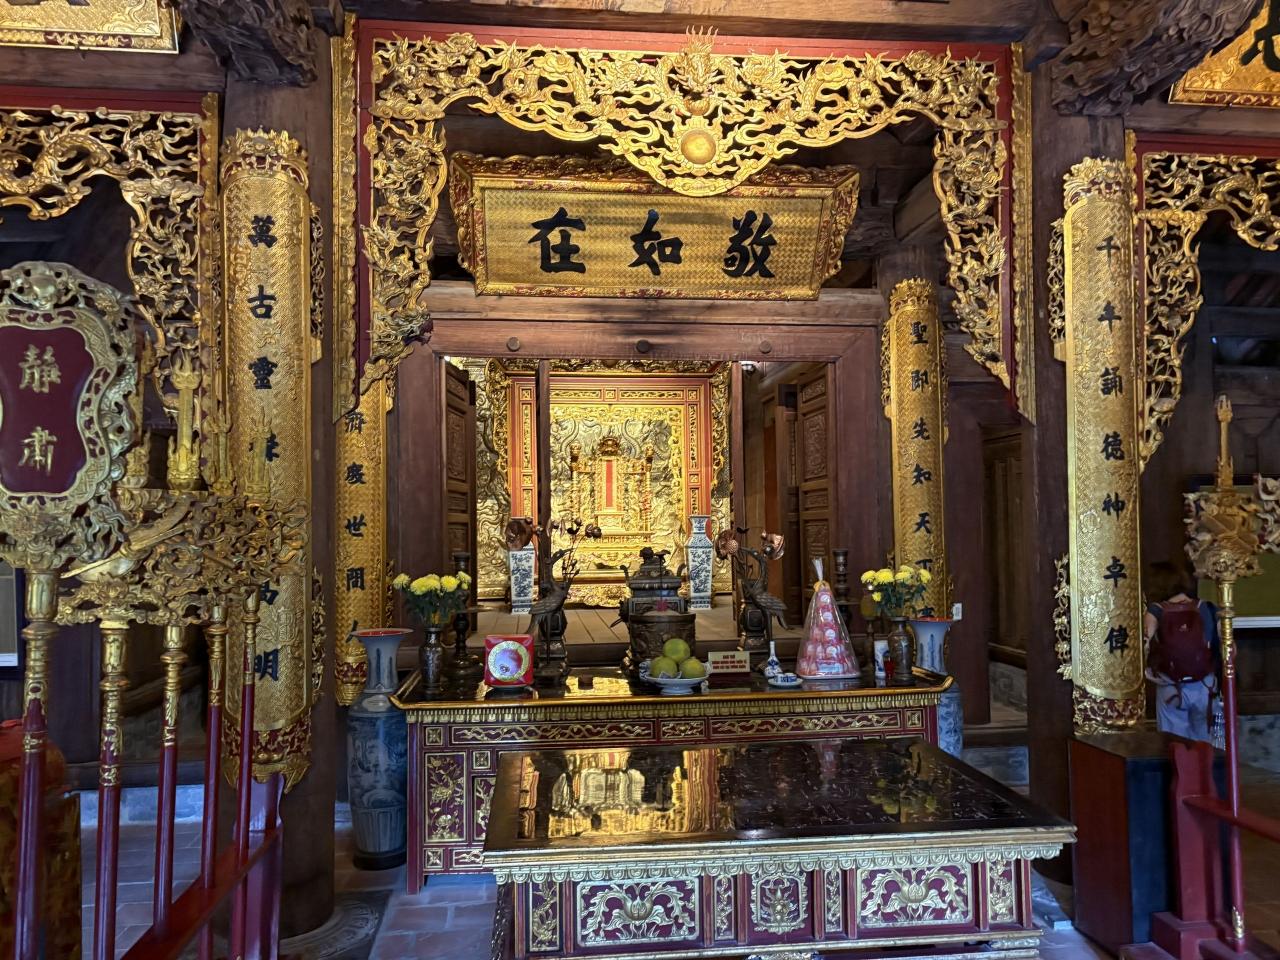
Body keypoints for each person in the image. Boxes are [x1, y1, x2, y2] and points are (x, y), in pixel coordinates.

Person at [1143, 560, 1220, 744]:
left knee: (1174, 745)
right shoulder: (1207, 608)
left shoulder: (1156, 611)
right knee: (1205, 745)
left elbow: (1143, 643)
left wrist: (1147, 672)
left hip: (1171, 687)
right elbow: (1228, 647)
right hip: (1205, 686)